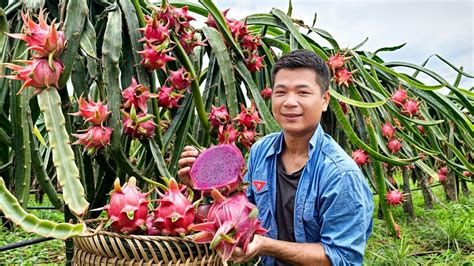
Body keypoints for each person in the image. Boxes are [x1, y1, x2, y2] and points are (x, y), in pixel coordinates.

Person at [178, 49, 374, 265]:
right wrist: (206, 187)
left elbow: (342, 257)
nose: (289, 102)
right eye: (281, 92)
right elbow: (245, 215)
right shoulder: (260, 152)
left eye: (302, 92)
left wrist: (265, 245)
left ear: (325, 100)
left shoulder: (341, 175)